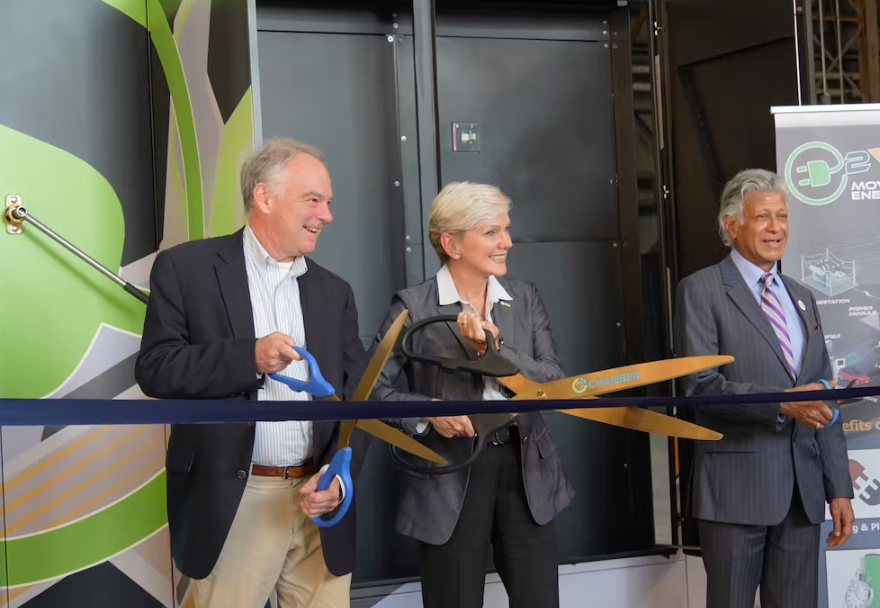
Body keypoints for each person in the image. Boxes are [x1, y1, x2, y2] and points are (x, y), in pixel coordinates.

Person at [135, 138, 369, 608]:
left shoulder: (333, 291)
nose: (326, 215)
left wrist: (338, 478)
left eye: (327, 203)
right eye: (313, 200)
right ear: (264, 197)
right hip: (233, 500)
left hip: (318, 500)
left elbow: (359, 400)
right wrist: (250, 359)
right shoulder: (186, 270)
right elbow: (157, 370)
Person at [371, 181, 574, 608]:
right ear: (452, 243)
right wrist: (428, 413)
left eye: (505, 230)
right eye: (492, 232)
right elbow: (372, 389)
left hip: (525, 472)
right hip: (450, 471)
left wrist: (495, 351)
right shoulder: (413, 306)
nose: (507, 242)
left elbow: (553, 381)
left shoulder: (523, 297)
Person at [674, 168, 855, 608]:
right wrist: (782, 405)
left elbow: (823, 395)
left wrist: (839, 487)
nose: (776, 228)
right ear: (731, 224)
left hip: (802, 495)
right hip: (737, 493)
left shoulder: (803, 296)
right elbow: (699, 388)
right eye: (763, 218)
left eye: (783, 216)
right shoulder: (700, 291)